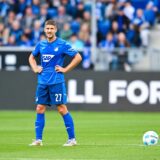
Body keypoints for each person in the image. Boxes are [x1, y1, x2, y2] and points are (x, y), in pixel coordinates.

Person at [28, 19, 82, 147]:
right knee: (39, 108)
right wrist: (35, 68)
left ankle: (72, 139)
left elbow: (78, 57)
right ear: (44, 30)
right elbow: (31, 57)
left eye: (51, 28)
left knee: (62, 108)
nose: (49, 31)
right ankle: (38, 140)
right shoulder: (40, 45)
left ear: (56, 30)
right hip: (42, 82)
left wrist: (65, 69)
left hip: (56, 81)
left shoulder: (62, 44)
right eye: (47, 28)